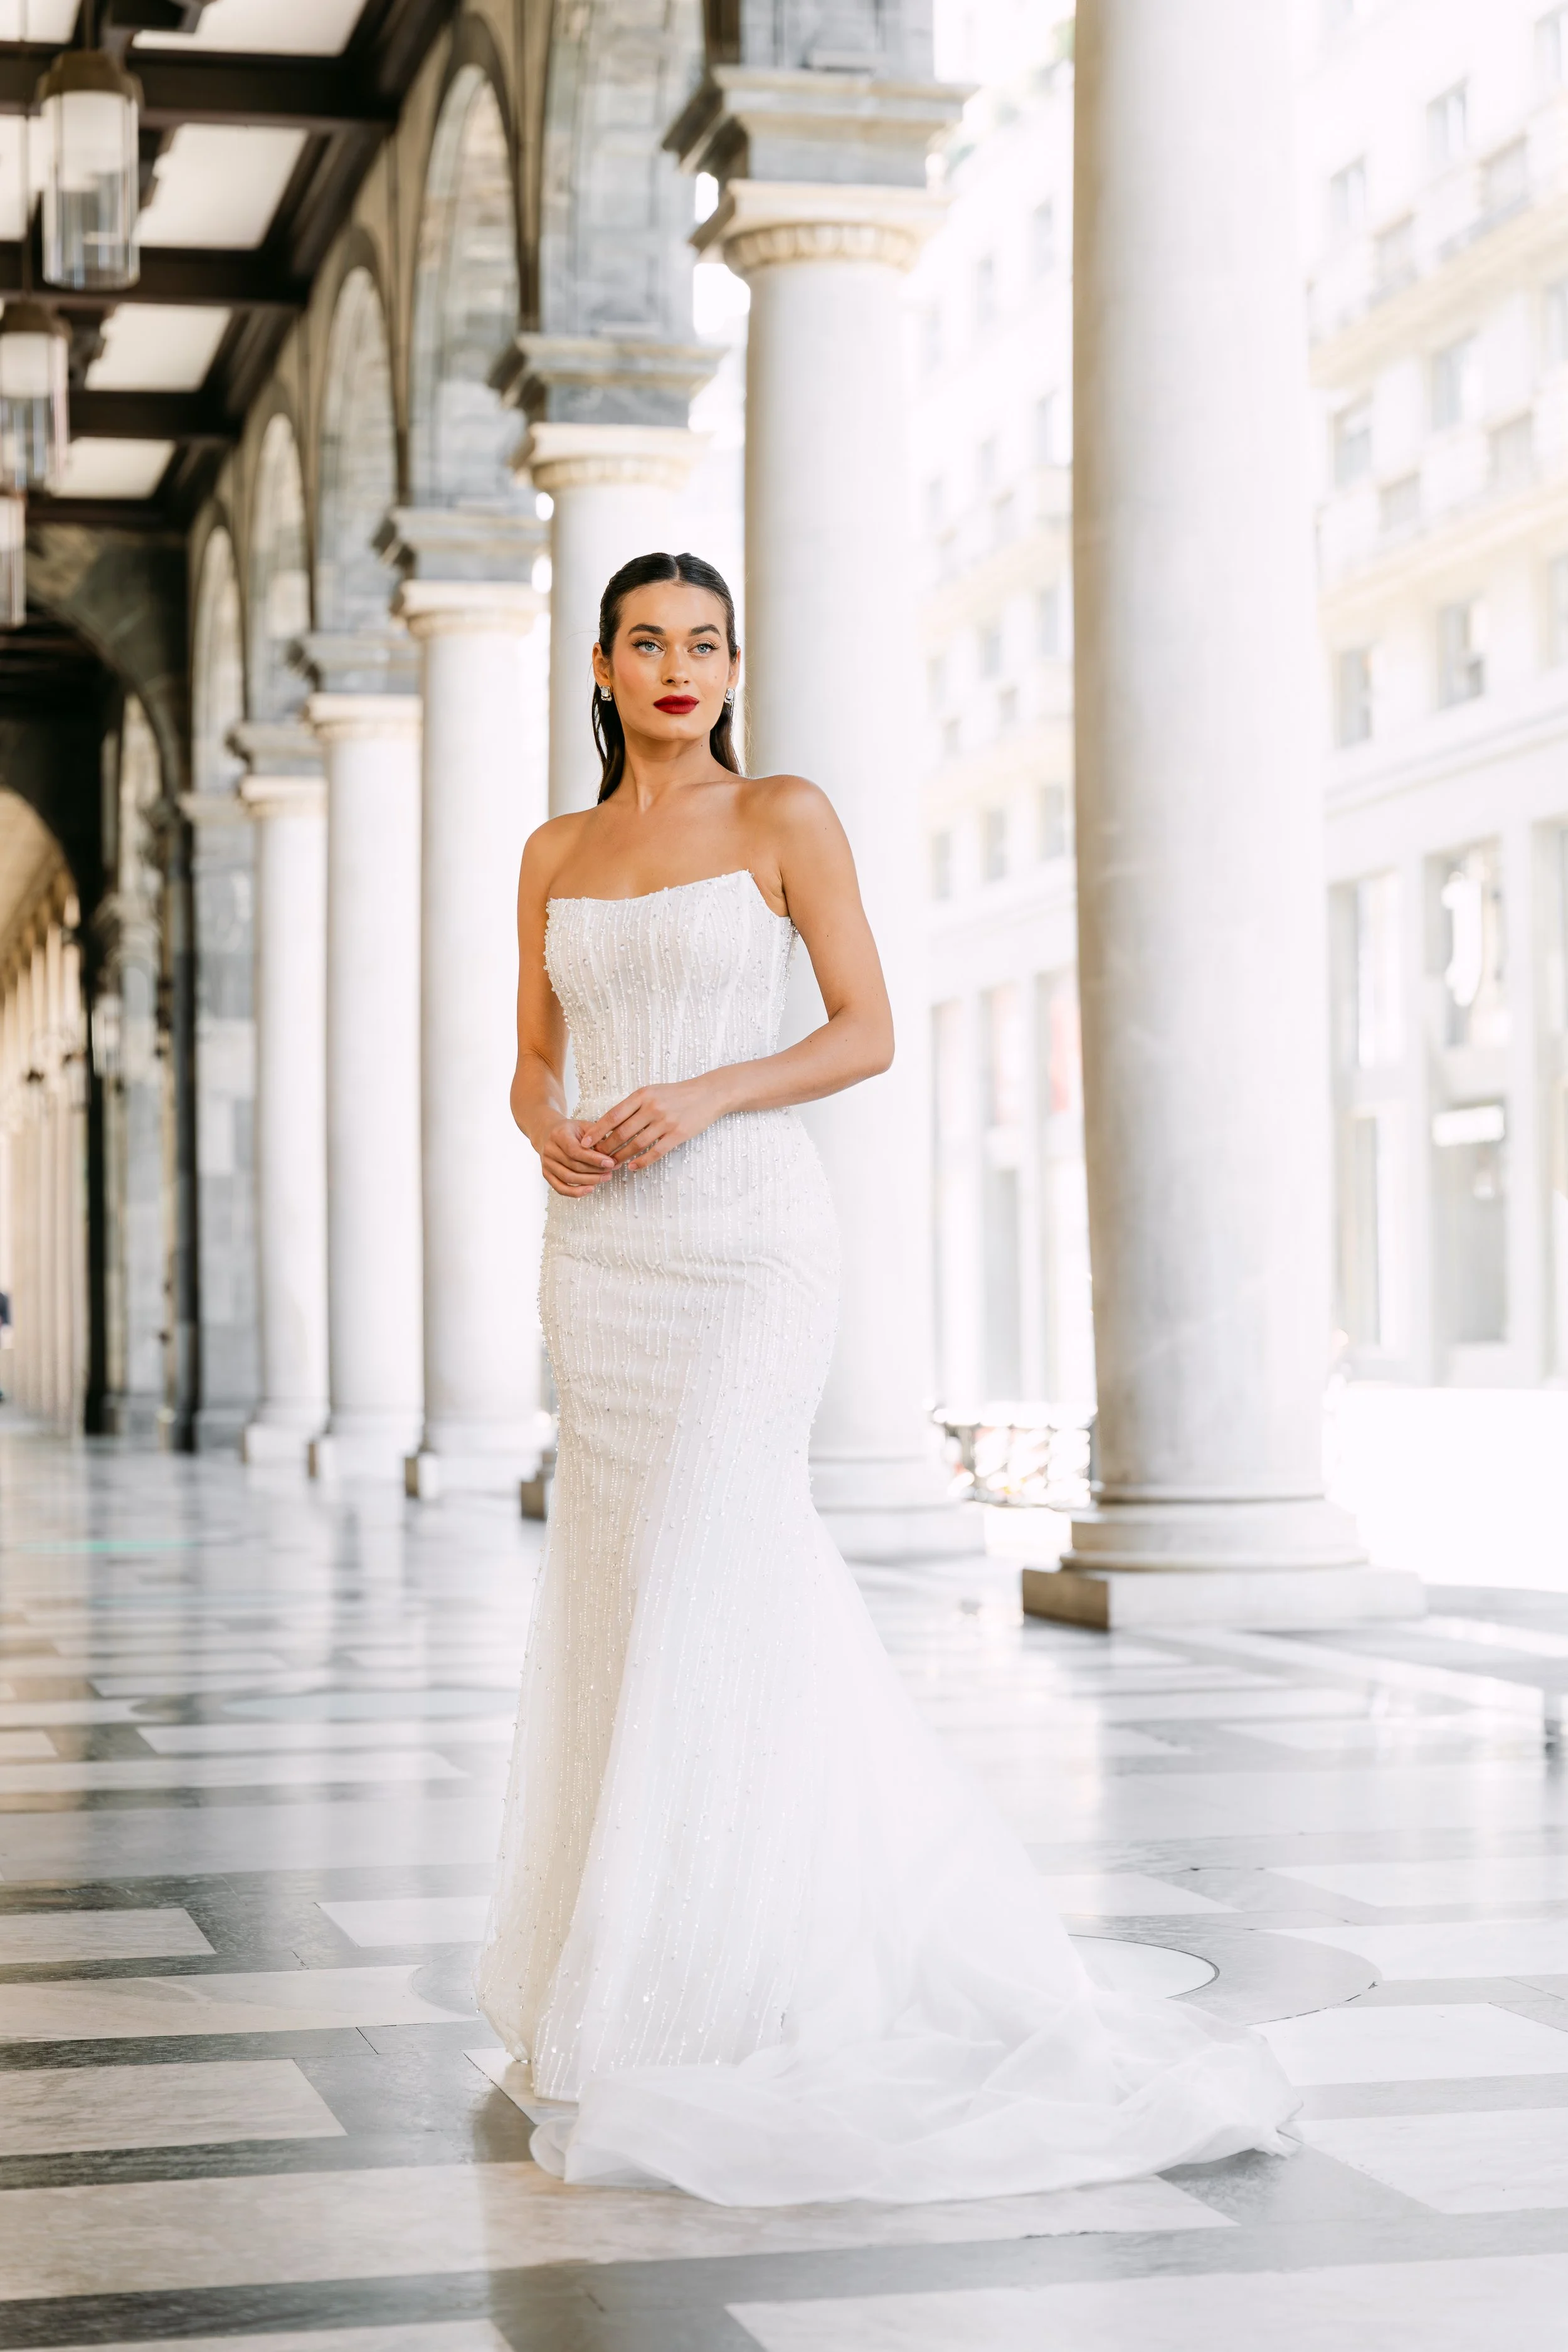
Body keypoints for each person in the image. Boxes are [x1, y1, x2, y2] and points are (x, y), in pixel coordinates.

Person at [476, 550, 1297, 2205]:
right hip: (603, 1264)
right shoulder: (554, 850)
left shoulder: (782, 815)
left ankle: (749, 1975)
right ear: (600, 663)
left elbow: (863, 1030)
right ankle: (649, 1969)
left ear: (729, 664)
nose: (678, 666)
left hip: (748, 1246)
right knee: (630, 1593)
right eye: (648, 642)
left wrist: (704, 1094)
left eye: (704, 642)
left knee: (721, 1561)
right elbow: (532, 1048)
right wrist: (541, 1124)